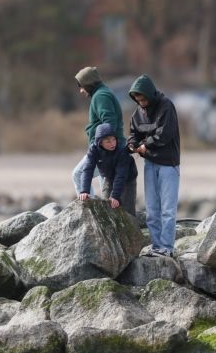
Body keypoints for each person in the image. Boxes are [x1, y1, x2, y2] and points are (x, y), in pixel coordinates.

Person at [127, 75, 180, 257]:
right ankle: (156, 246)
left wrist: (145, 145)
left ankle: (167, 248)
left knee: (168, 210)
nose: (141, 103)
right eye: (137, 100)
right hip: (150, 163)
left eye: (143, 99)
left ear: (149, 94)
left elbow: (164, 135)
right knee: (151, 210)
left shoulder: (166, 106)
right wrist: (132, 144)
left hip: (168, 165)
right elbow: (133, 133)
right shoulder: (138, 113)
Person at [72, 66, 125, 196]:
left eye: (82, 86)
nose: (81, 90)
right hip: (106, 148)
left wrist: (100, 147)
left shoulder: (101, 96)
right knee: (106, 189)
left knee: (79, 174)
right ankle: (100, 208)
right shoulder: (101, 93)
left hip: (105, 150)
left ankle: (89, 206)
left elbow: (109, 123)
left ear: (89, 83)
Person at [78, 123, 138, 217]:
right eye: (108, 141)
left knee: (127, 210)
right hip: (108, 177)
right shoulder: (93, 150)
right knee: (106, 207)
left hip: (127, 179)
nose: (112, 143)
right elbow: (87, 170)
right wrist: (84, 191)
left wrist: (115, 196)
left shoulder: (122, 151)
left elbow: (121, 175)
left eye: (113, 139)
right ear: (100, 142)